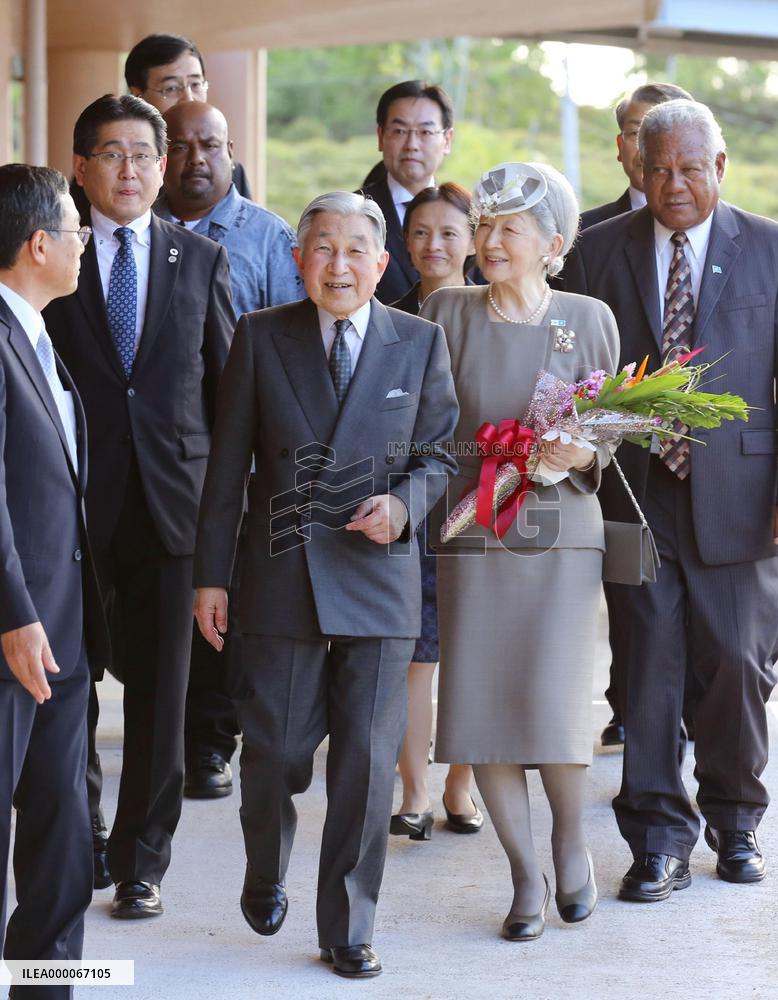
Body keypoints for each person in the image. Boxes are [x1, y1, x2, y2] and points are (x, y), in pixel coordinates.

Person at [193, 192, 458, 979]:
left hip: (378, 575)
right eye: (321, 249)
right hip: (279, 572)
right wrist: (212, 576)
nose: (337, 266)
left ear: (382, 265)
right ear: (299, 258)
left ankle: (348, 925)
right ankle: (266, 865)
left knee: (369, 765)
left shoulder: (420, 341)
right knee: (272, 749)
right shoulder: (261, 335)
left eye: (354, 252)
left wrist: (403, 508)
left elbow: (441, 454)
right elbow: (228, 465)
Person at [566, 100, 778, 901]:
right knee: (645, 671)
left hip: (742, 498)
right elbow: (574, 376)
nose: (672, 185)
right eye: (657, 170)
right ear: (635, 172)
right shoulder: (596, 249)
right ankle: (657, 841)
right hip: (633, 497)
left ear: (720, 168)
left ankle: (738, 824)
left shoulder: (774, 249)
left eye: (688, 168)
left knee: (736, 668)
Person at [43, 94, 235, 919]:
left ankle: (142, 858)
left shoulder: (199, 261)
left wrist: (224, 526)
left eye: (142, 155)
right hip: (72, 506)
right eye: (111, 154)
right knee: (70, 689)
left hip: (172, 511)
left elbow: (228, 398)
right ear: (80, 167)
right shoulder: (50, 256)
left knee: (163, 697)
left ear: (163, 167)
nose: (130, 169)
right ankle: (78, 838)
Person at [421, 162, 619, 938]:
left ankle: (572, 843)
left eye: (509, 228)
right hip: (474, 533)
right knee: (481, 705)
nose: (489, 241)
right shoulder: (447, 310)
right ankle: (523, 875)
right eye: (484, 226)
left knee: (556, 698)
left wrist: (580, 455)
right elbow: (429, 427)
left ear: (554, 244)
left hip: (561, 537)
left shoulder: (589, 316)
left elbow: (609, 439)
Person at [157, 100, 303, 799]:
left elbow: (294, 346)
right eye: (180, 146)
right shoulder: (137, 232)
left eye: (208, 145)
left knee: (227, 600)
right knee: (170, 597)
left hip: (244, 454)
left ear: (231, 149)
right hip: (161, 452)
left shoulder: (268, 237)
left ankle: (212, 741)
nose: (195, 159)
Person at [0, 163, 109, 997]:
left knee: (63, 828)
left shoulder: (40, 333)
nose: (84, 242)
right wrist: (13, 613)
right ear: (39, 244)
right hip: (15, 629)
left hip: (63, 630)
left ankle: (45, 985)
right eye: (75, 228)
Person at [575, 81, 694, 749]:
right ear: (625, 148)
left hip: (707, 466)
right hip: (618, 465)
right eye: (640, 133)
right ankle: (637, 713)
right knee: (633, 611)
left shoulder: (730, 234)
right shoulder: (589, 238)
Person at [388, 183, 481, 839]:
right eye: (419, 231)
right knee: (415, 653)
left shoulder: (497, 314)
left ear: (473, 240)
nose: (432, 245)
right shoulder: (386, 314)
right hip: (409, 501)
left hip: (484, 502)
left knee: (474, 651)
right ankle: (414, 791)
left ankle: (462, 785)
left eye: (448, 232)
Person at [359, 80, 454, 304]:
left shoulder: (466, 214)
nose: (412, 144)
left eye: (426, 131)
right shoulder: (352, 212)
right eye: (400, 131)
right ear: (381, 137)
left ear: (447, 140)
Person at [125, 33, 251, 198]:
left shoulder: (230, 171)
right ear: (137, 96)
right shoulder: (120, 171)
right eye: (171, 88)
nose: (189, 98)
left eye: (196, 84)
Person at [581, 83, 693, 233]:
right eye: (635, 133)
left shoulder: (725, 227)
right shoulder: (584, 233)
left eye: (665, 134)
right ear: (620, 146)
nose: (648, 151)